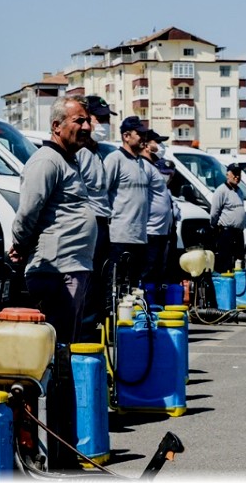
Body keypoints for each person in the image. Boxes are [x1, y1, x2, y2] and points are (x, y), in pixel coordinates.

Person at [9, 96, 98, 344]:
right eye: (79, 120)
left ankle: (63, 383)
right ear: (56, 125)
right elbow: (28, 211)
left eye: (88, 121)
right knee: (56, 345)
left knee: (68, 343)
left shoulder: (69, 160)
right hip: (56, 271)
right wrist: (20, 245)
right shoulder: (47, 160)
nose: (87, 127)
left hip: (73, 267)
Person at [77, 95, 114, 342]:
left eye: (106, 119)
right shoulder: (79, 151)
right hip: (88, 222)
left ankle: (92, 337)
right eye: (98, 118)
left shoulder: (97, 151)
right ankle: (82, 343)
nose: (103, 124)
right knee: (87, 288)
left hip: (103, 222)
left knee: (100, 286)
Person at [103, 115, 153, 295]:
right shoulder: (114, 159)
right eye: (139, 134)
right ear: (126, 136)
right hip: (119, 237)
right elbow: (103, 193)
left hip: (139, 237)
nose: (143, 138)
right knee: (115, 286)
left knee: (133, 288)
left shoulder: (141, 164)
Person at [141, 130, 178, 291]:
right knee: (148, 269)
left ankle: (154, 301)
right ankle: (146, 303)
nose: (161, 146)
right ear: (147, 145)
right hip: (151, 230)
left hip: (162, 231)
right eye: (158, 142)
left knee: (159, 270)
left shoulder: (154, 167)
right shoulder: (143, 166)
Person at [210, 163, 246, 274]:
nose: (237, 177)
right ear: (227, 175)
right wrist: (215, 227)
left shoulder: (239, 191)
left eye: (239, 174)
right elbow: (214, 213)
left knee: (239, 262)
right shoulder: (221, 191)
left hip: (238, 232)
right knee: (225, 263)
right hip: (226, 232)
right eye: (234, 174)